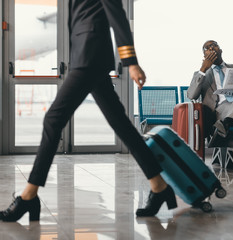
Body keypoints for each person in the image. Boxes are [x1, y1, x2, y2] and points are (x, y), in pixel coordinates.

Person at [0, 0, 176, 222]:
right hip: (85, 57)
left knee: (53, 121)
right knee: (121, 125)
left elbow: (117, 15)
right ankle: (159, 186)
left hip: (89, 57)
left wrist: (130, 61)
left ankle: (29, 195)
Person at [187, 40, 233, 176]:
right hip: (220, 110)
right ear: (204, 55)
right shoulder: (202, 74)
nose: (211, 48)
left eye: (214, 45)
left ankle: (228, 122)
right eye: (207, 48)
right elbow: (191, 95)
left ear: (220, 50)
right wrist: (203, 69)